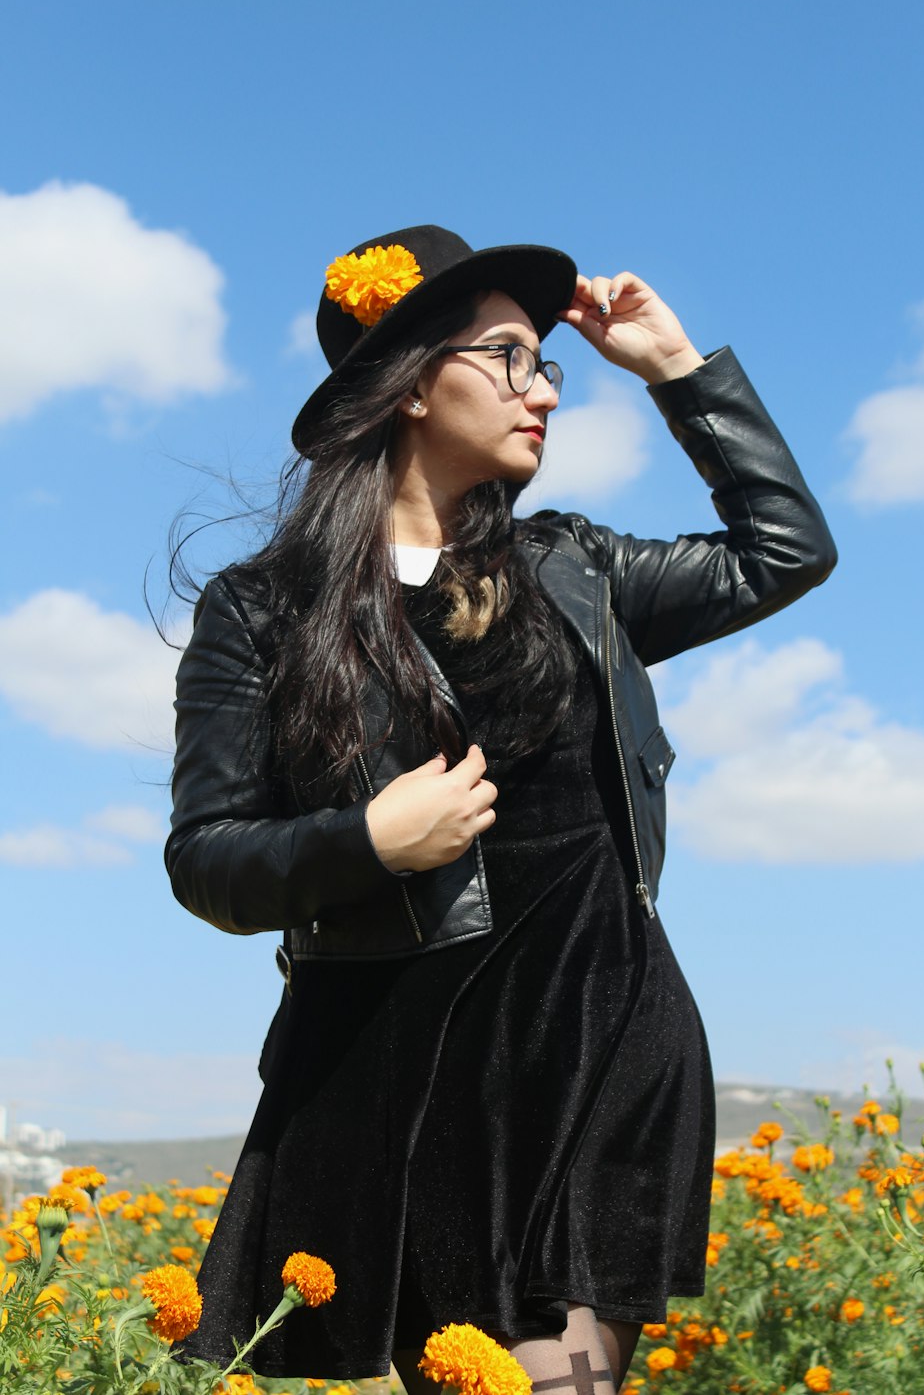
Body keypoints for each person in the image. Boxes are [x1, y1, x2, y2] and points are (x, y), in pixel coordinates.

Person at [166, 224, 836, 1390]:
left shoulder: (575, 570)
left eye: (547, 366)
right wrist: (366, 842)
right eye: (511, 359)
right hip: (379, 1072)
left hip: (590, 1036)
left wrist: (679, 370)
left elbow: (781, 551)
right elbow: (209, 860)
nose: (546, 395)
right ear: (411, 383)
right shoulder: (264, 611)